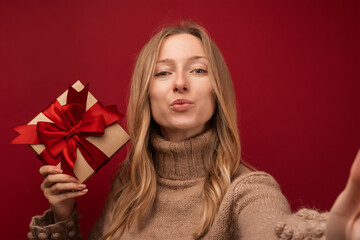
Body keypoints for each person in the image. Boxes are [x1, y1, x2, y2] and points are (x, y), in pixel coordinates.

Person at [28, 22, 360, 240]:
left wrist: (327, 231)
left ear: (218, 91)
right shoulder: (127, 186)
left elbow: (272, 230)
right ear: (147, 95)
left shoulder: (250, 191)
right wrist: (63, 213)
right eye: (162, 73)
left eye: (198, 69)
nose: (181, 83)